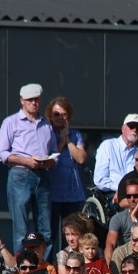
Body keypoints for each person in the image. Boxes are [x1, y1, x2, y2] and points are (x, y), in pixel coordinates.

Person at [0, 83, 57, 255]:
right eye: (29, 100)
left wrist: (50, 161)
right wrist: (26, 161)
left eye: (36, 99)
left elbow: (53, 152)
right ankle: (22, 270)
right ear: (22, 101)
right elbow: (0, 154)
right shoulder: (11, 122)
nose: (33, 103)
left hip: (43, 175)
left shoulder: (46, 125)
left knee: (46, 229)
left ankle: (45, 269)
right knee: (21, 229)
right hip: (20, 174)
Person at [44, 97, 87, 247]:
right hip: (52, 192)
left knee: (72, 234)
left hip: (72, 192)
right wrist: (61, 141)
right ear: (50, 115)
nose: (60, 118)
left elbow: (81, 158)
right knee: (50, 234)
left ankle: (70, 266)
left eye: (64, 114)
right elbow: (48, 159)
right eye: (56, 114)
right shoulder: (45, 133)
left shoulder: (76, 135)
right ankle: (48, 267)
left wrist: (68, 139)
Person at [93, 113, 138, 198]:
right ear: (123, 128)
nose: (134, 130)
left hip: (133, 194)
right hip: (110, 192)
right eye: (131, 126)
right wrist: (121, 189)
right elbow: (100, 180)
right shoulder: (108, 145)